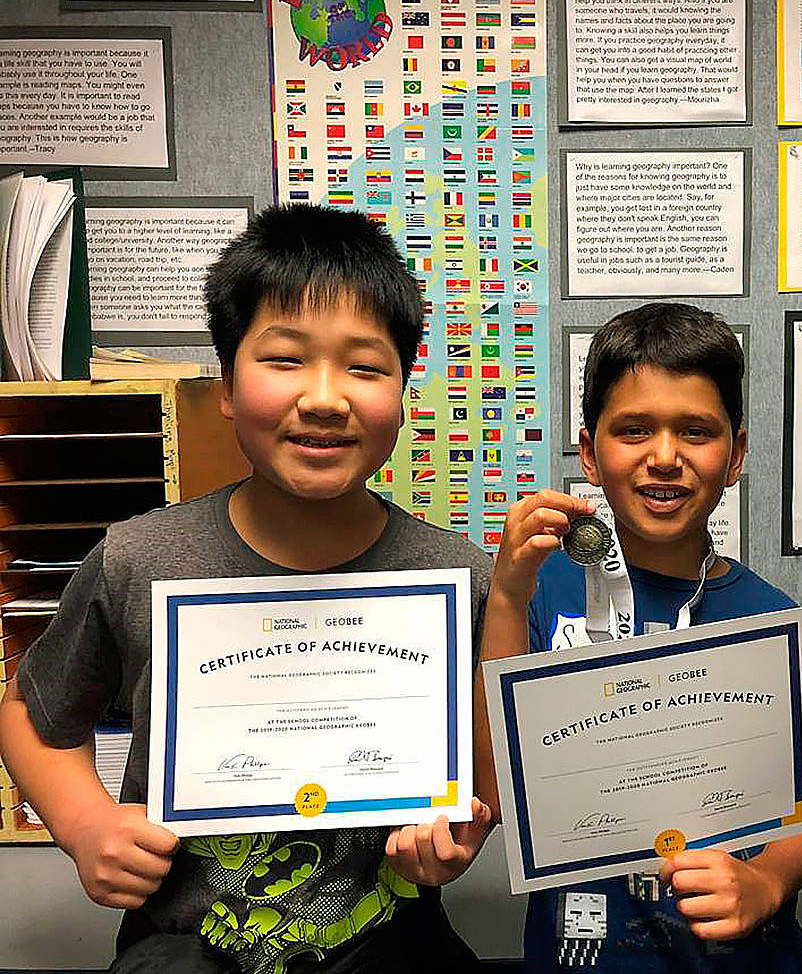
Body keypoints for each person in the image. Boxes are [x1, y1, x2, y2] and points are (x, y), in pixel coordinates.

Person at [0, 204, 493, 974]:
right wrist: (84, 824)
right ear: (227, 384)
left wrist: (466, 832)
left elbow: (488, 762)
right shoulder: (140, 558)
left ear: (404, 390)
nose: (326, 397)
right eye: (285, 359)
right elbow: (32, 714)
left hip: (389, 942)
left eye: (365, 367)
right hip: (185, 948)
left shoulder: (459, 574)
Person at [476, 302, 802, 971]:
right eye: (633, 430)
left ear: (737, 453)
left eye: (696, 431)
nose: (665, 457)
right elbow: (493, 790)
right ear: (590, 454)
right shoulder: (541, 597)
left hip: (738, 956)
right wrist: (510, 596)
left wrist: (767, 882)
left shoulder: (771, 619)